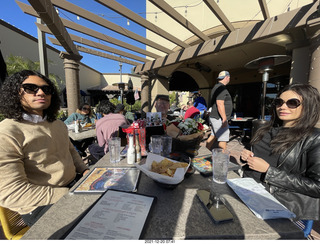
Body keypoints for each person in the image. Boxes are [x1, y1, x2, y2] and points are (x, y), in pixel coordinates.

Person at [0, 70, 89, 226]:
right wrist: (70, 194)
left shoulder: (58, 124)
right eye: (30, 88)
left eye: (46, 89)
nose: (41, 92)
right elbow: (11, 192)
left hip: (72, 184)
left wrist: (85, 171)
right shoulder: (7, 132)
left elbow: (71, 152)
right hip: (39, 203)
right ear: (15, 93)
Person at [240, 84, 320, 220]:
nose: (282, 107)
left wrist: (269, 171)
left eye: (292, 103)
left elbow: (317, 187)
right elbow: (258, 154)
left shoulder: (314, 138)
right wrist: (246, 155)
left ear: (308, 106)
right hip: (246, 190)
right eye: (279, 102)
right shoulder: (264, 130)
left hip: (275, 202)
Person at [206, 71, 232, 150]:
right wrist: (224, 118)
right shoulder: (221, 88)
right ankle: (221, 159)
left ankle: (204, 153)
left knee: (213, 135)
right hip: (219, 118)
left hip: (215, 116)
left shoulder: (216, 86)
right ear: (227, 77)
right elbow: (220, 103)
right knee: (223, 138)